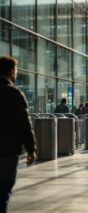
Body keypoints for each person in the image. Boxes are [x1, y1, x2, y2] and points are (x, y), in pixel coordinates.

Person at [0, 56, 36, 212]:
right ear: (11, 72)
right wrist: (31, 148)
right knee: (2, 194)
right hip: (7, 151)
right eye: (16, 71)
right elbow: (24, 123)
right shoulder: (14, 94)